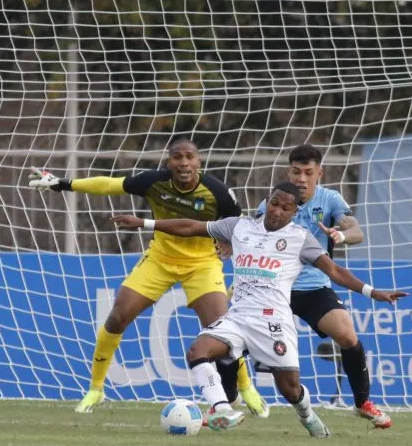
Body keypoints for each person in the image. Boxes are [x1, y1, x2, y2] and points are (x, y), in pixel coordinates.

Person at [112, 182, 407, 436]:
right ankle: (221, 408)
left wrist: (372, 292)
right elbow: (191, 226)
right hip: (238, 318)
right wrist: (145, 223)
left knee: (290, 390)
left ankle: (306, 414)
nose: (277, 211)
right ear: (267, 201)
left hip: (274, 322)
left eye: (285, 208)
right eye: (274, 203)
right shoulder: (239, 226)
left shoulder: (300, 238)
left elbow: (334, 271)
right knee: (197, 351)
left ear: (294, 213)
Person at [28, 136, 267, 416]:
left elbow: (238, 223)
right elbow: (110, 184)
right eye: (178, 157)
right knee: (118, 315)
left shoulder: (216, 191)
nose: (184, 163)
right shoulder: (154, 182)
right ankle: (96, 389)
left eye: (190, 156)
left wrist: (228, 242)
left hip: (202, 263)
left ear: (198, 162)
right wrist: (65, 183)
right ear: (170, 162)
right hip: (160, 259)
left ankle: (247, 388)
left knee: (222, 329)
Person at [219, 144, 391, 428]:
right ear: (289, 171)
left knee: (347, 336)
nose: (301, 178)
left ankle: (363, 404)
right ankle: (228, 399)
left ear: (319, 174)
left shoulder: (330, 200)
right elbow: (252, 233)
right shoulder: (272, 203)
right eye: (296, 171)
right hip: (270, 289)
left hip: (312, 287)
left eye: (308, 173)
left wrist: (341, 235)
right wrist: (228, 243)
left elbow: (356, 231)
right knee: (228, 342)